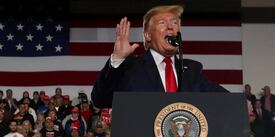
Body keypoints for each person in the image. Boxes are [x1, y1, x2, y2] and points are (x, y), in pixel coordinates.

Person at [91, 5, 227, 108]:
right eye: (162, 23)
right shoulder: (131, 67)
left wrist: (243, 102)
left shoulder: (191, 71)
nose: (170, 27)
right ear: (148, 35)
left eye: (174, 23)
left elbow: (225, 99)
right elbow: (100, 99)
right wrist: (117, 59)